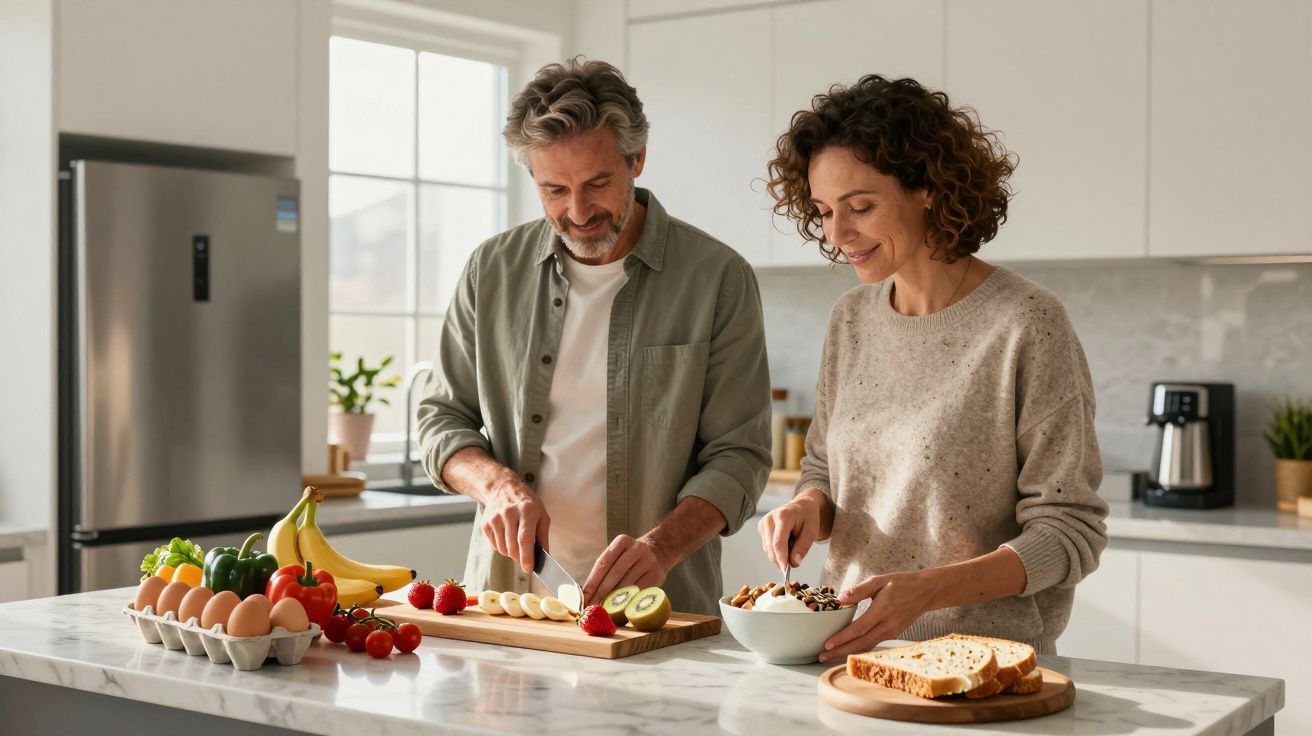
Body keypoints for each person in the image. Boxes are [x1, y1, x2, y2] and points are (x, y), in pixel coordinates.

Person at [759, 75, 1108, 660]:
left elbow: (1071, 532)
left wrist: (925, 592)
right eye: (823, 212)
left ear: (927, 188)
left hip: (985, 670)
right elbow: (823, 468)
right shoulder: (851, 320)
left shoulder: (1026, 322)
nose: (838, 234)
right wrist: (807, 508)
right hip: (850, 657)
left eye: (861, 207)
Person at [416, 58, 772, 616]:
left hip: (659, 609)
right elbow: (439, 417)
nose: (577, 211)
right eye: (553, 189)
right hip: (508, 607)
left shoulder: (717, 278)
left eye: (598, 184)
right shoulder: (491, 270)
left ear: (638, 159)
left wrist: (662, 546)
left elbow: (740, 456)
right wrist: (495, 485)